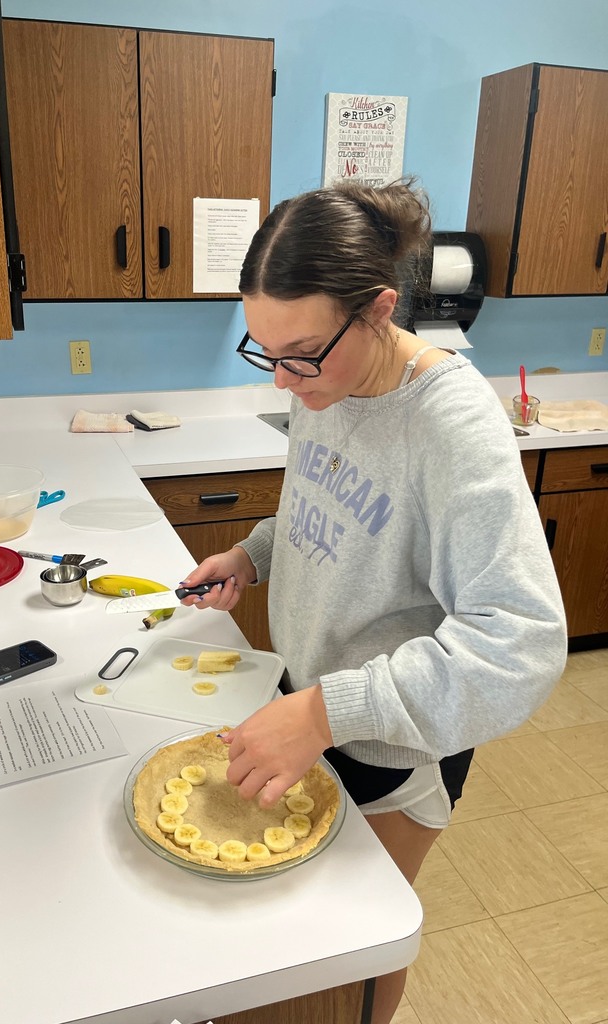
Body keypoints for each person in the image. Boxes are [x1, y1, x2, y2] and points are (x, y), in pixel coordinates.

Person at [180, 178, 568, 1024]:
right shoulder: (329, 382)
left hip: (396, 742)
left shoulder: (450, 422)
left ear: (381, 308)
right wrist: (252, 555)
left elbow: (523, 642)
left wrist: (327, 712)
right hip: (312, 702)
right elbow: (326, 505)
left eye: (300, 355)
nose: (284, 380)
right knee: (284, 950)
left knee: (360, 950)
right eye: (263, 352)